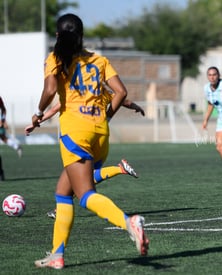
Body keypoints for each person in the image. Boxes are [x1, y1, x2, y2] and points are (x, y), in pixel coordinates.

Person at [33, 14, 148, 269]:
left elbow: (51, 90)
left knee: (85, 194)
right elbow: (121, 92)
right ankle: (57, 255)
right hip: (100, 133)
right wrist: (105, 116)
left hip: (75, 133)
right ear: (82, 35)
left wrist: (39, 112)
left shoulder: (56, 58)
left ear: (57, 36)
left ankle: (128, 222)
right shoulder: (99, 59)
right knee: (63, 192)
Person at [25, 88, 145, 219]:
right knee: (88, 176)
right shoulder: (103, 91)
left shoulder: (75, 92)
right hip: (102, 137)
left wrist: (36, 123)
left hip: (81, 136)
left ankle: (61, 209)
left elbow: (54, 109)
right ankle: (119, 169)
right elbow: (123, 99)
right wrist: (136, 107)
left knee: (76, 177)